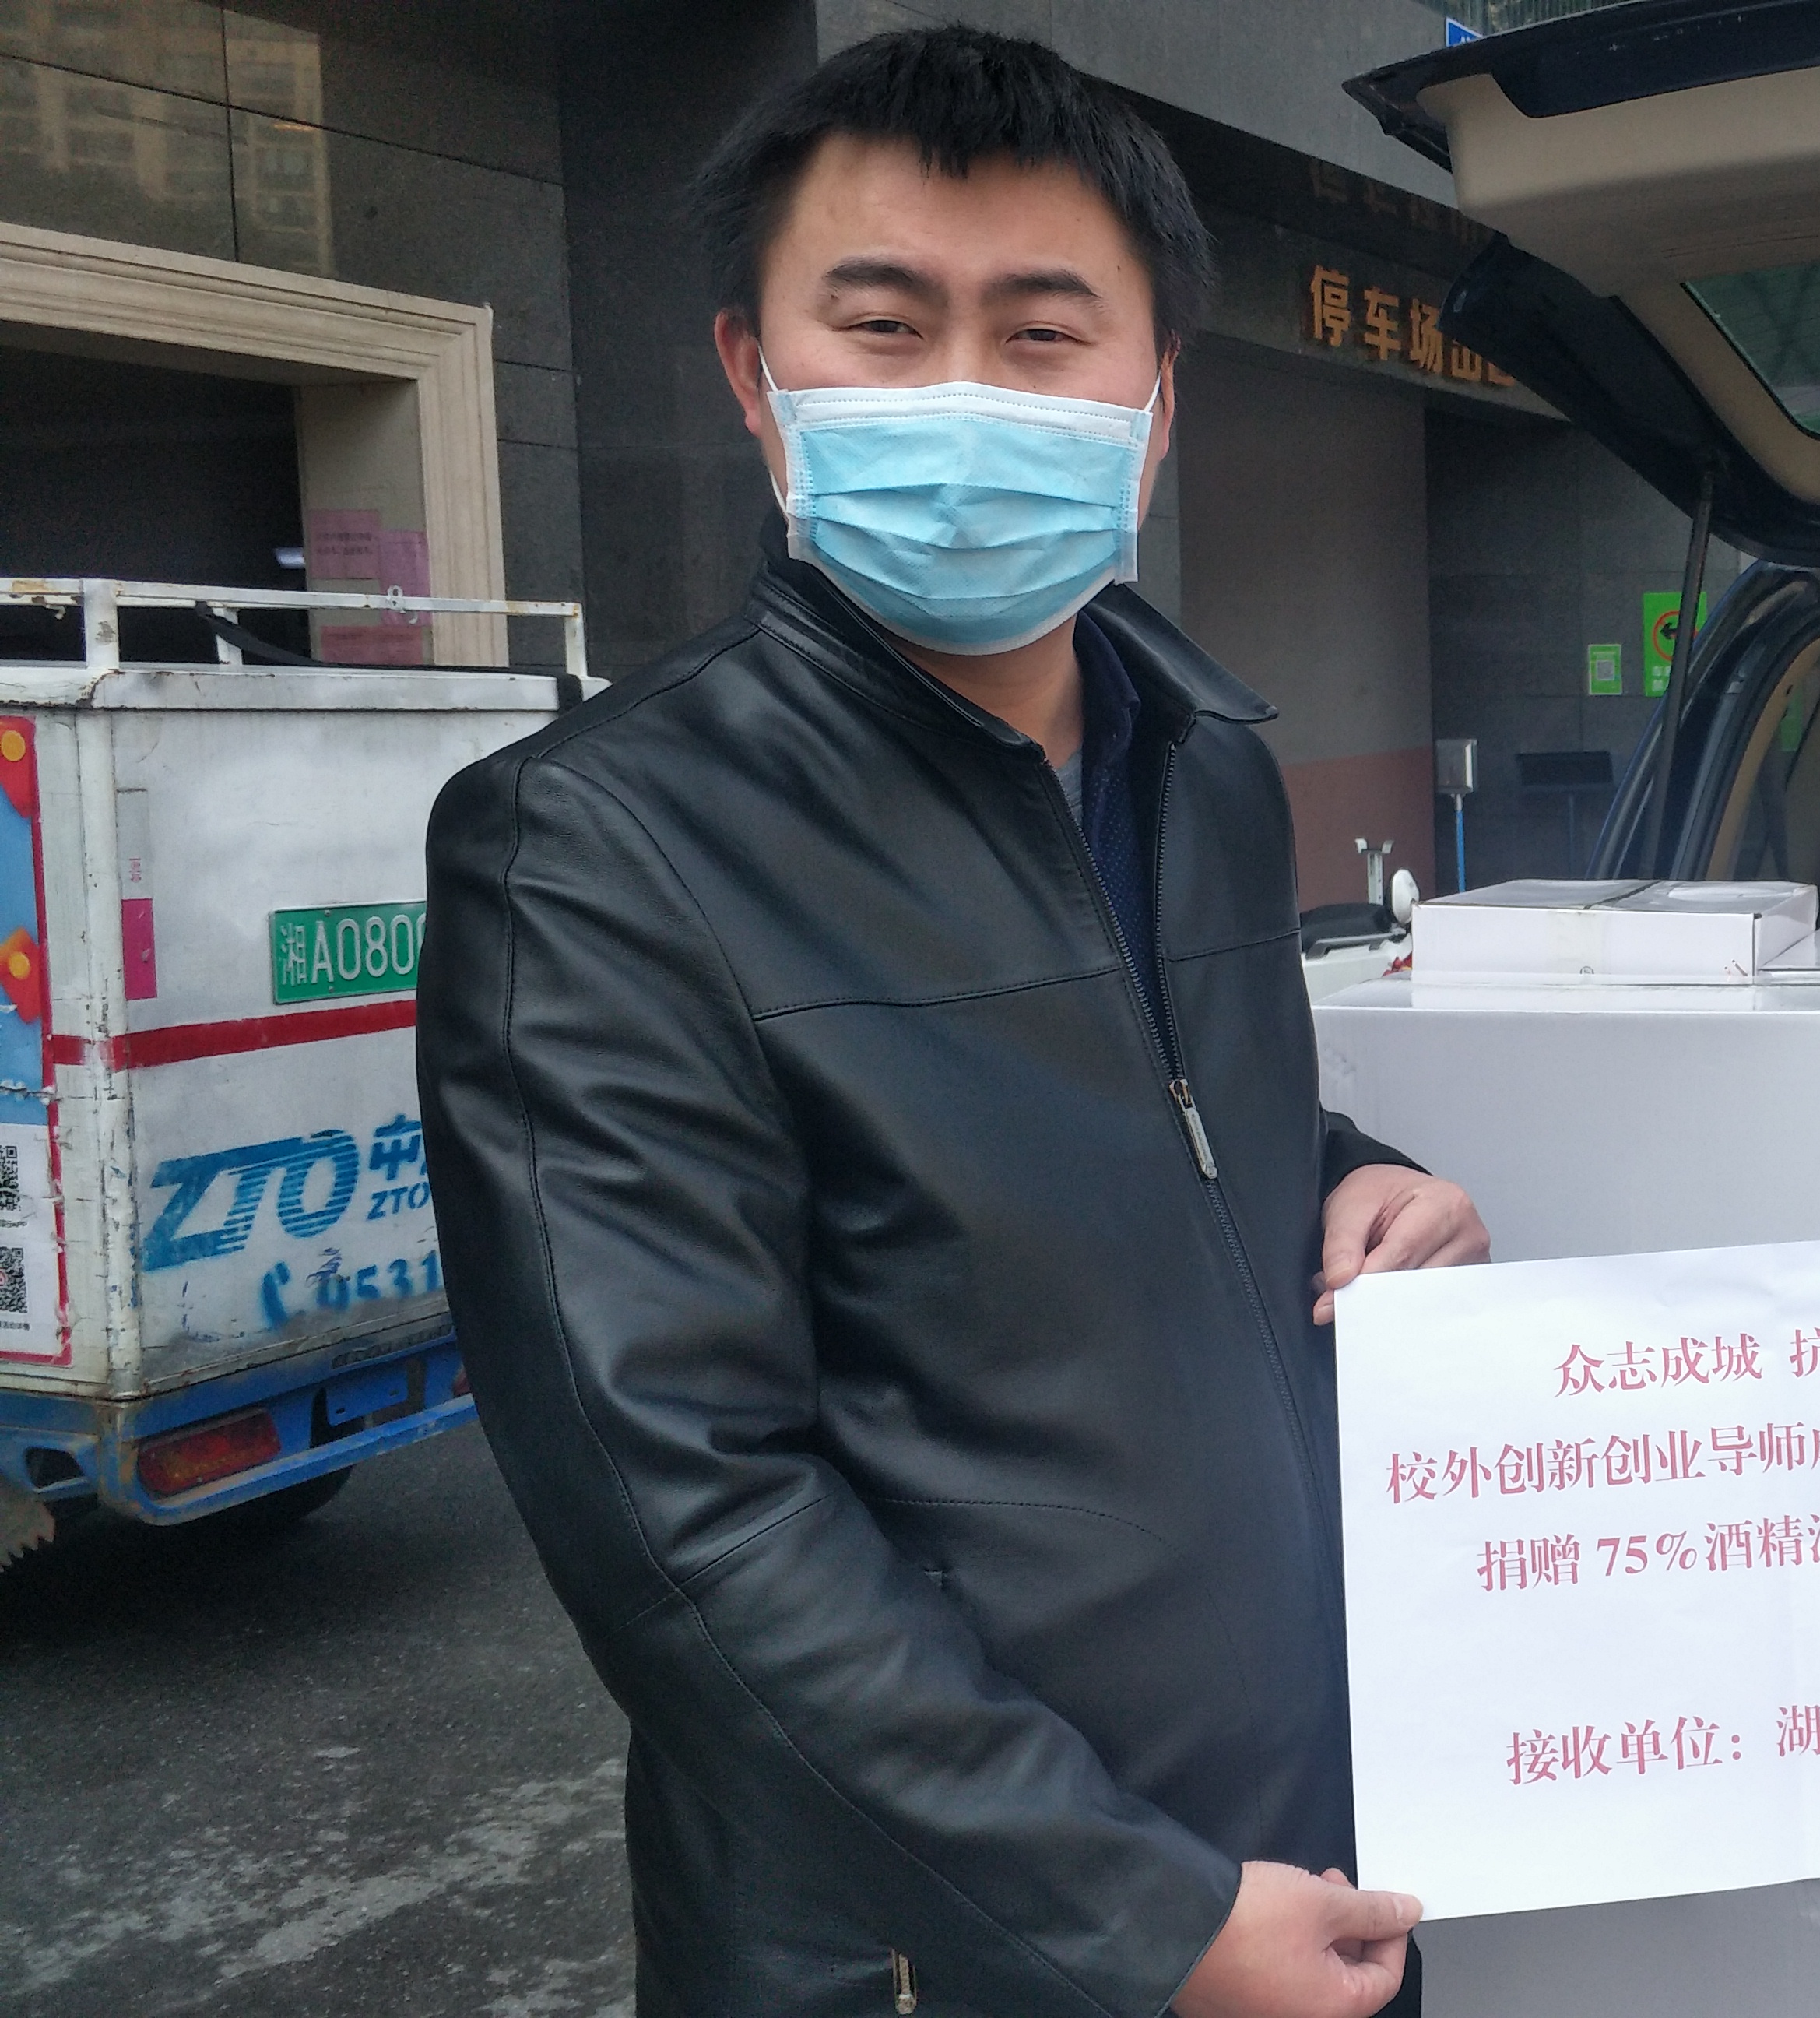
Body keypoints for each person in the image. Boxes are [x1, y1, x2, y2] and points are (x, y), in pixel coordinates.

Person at [418, 30, 1486, 2018]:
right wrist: (1130, 1918)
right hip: (934, 1941)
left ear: (1157, 399)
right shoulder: (597, 847)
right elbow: (685, 1516)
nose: (966, 396)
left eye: (1045, 334)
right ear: (755, 374)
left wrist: (1365, 1180)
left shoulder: (1207, 767)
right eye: (887, 326)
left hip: (1297, 1853)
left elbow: (1158, 1105)